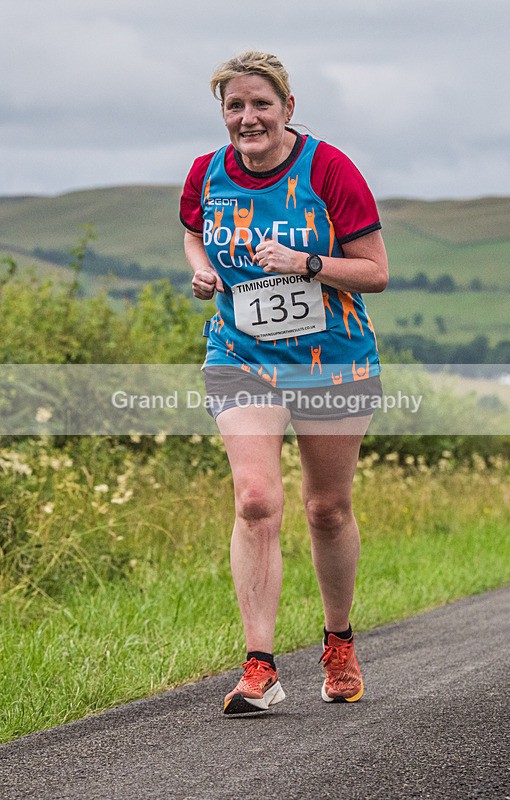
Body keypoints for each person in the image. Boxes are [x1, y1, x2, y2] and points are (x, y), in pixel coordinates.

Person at [179, 50, 388, 715]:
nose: (248, 118)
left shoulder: (329, 169)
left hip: (333, 360)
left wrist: (306, 262)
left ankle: (339, 643)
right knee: (255, 500)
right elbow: (193, 233)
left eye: (261, 104)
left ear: (288, 108)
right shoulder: (206, 173)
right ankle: (259, 668)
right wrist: (203, 269)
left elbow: (376, 272)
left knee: (326, 508)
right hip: (240, 354)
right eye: (234, 106)